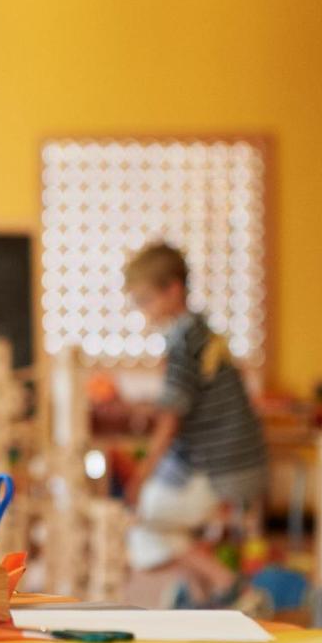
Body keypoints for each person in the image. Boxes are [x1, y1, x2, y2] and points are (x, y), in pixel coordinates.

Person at [122, 241, 268, 608]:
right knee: (158, 517)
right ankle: (204, 594)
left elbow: (172, 417)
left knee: (142, 519)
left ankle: (229, 585)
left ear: (173, 289)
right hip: (233, 462)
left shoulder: (183, 341)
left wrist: (141, 473)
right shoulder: (200, 331)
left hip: (216, 467)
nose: (144, 312)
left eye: (146, 300)